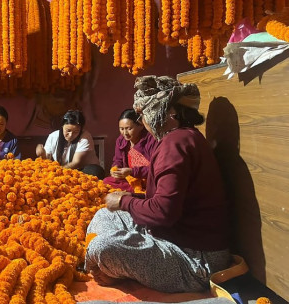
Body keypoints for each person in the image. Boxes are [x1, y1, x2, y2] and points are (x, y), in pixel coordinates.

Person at [85, 75, 231, 293]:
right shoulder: (183, 138)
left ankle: (100, 265)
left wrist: (125, 202)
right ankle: (103, 266)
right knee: (106, 215)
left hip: (195, 260)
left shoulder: (174, 145)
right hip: (174, 236)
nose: (143, 121)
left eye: (144, 114)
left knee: (102, 246)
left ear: (169, 113)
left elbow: (163, 213)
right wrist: (130, 200)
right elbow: (168, 200)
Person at [36, 110, 106, 179]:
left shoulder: (85, 137)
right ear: (62, 126)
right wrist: (42, 154)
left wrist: (58, 172)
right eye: (68, 130)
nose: (71, 135)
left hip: (81, 171)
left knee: (95, 171)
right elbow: (47, 160)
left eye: (76, 131)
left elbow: (76, 162)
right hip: (62, 171)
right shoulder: (53, 136)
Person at [103, 108, 157, 191]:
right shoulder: (121, 141)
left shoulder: (151, 140)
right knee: (107, 181)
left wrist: (132, 171)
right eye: (122, 129)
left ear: (141, 125)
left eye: (129, 128)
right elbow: (118, 160)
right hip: (131, 179)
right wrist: (115, 168)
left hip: (149, 179)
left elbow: (155, 168)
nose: (125, 133)